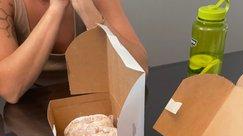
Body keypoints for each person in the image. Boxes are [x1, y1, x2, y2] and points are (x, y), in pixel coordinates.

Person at [0, 0, 148, 103]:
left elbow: (139, 70)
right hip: (29, 110)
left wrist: (91, 16)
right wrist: (57, 7)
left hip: (93, 100)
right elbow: (10, 89)